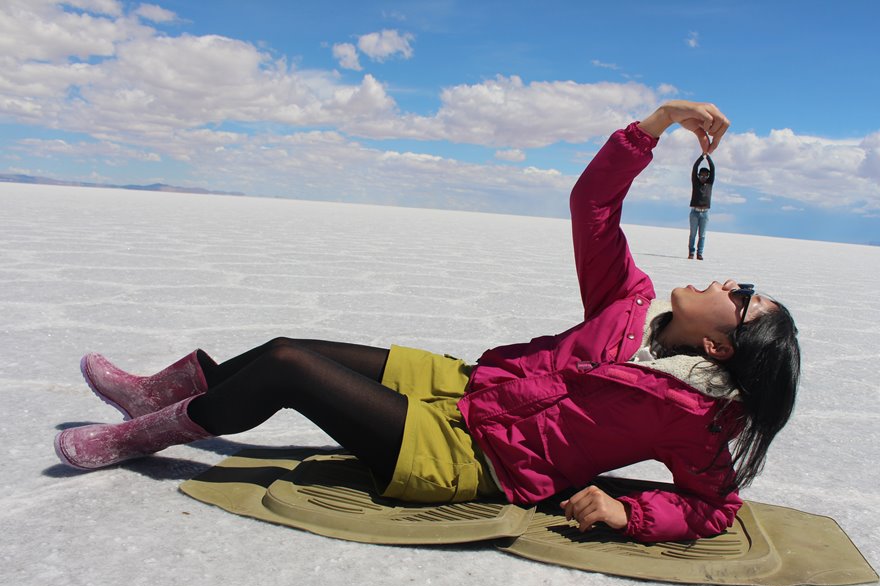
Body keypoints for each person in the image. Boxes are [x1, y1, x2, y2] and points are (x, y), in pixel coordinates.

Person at [55, 101, 801, 544]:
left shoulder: (701, 416)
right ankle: (157, 395)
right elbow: (592, 206)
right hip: (465, 384)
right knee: (301, 342)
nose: (731, 280)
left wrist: (628, 511)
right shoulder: (629, 300)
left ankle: (137, 437)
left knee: (287, 364)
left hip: (473, 458)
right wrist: (659, 121)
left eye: (745, 297)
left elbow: (712, 507)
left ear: (719, 344)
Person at [688, 153, 715, 260]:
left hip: (705, 213)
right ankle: (691, 253)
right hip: (694, 212)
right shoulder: (696, 183)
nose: (703, 177)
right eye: (701, 175)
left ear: (708, 176)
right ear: (698, 176)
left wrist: (708, 157)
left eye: (705, 176)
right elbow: (695, 168)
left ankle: (699, 254)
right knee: (693, 234)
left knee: (702, 235)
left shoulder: (709, 183)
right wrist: (701, 157)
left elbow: (712, 169)